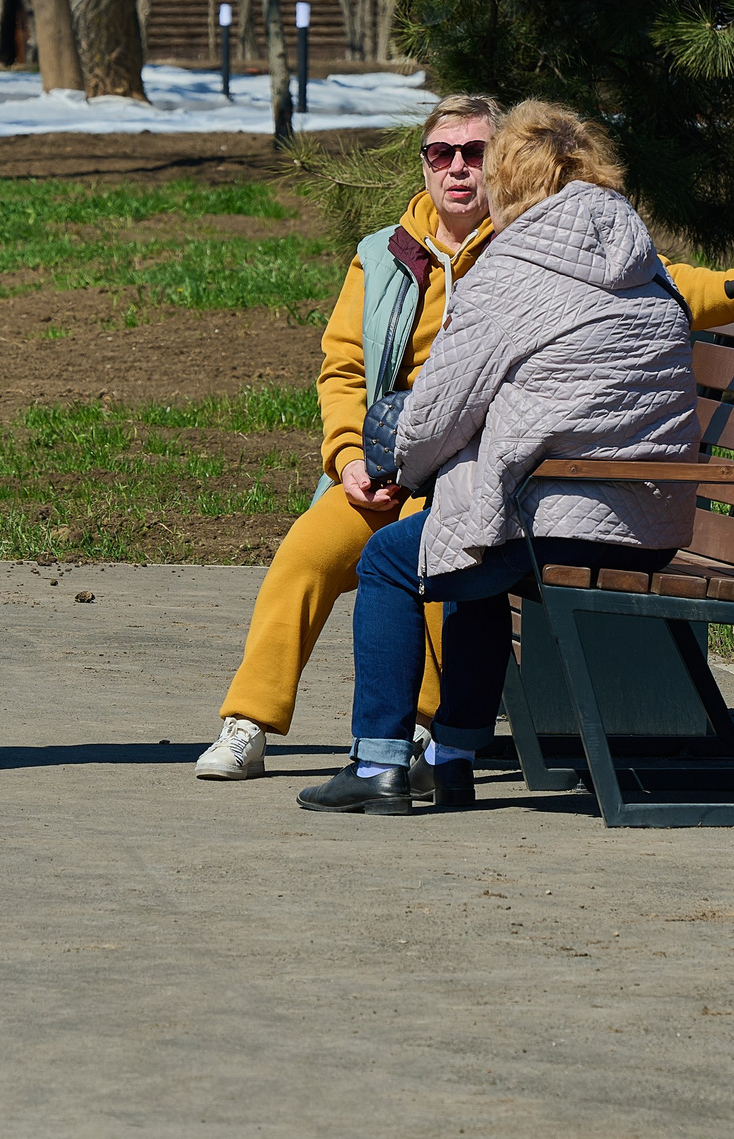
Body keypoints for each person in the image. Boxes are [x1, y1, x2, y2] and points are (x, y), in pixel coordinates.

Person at [195, 94, 734, 783]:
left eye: (476, 153)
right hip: (392, 461)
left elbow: (674, 281)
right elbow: (343, 370)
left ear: (502, 167)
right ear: (425, 166)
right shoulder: (384, 255)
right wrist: (349, 457)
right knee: (309, 552)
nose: (459, 167)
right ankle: (249, 720)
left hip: (460, 465)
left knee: (437, 549)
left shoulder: (529, 245)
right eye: (443, 153)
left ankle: (419, 739)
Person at [297, 101, 700, 814]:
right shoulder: (639, 259)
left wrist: (408, 468)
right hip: (653, 521)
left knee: (395, 557)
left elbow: (436, 413)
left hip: (562, 519)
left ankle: (378, 762)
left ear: (511, 179)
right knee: (470, 539)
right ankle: (450, 759)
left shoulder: (515, 267)